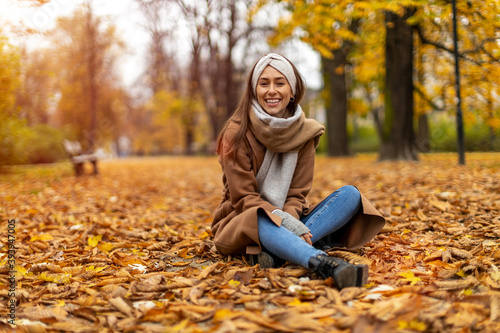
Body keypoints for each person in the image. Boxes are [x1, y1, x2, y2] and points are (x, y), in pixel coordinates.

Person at [211, 53, 385, 289]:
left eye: (279, 83)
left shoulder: (306, 133)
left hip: (291, 216)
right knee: (261, 216)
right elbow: (245, 199)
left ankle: (278, 253)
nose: (271, 90)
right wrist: (284, 222)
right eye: (264, 83)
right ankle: (323, 264)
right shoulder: (236, 132)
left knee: (350, 196)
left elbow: (296, 194)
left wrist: (290, 222)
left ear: (291, 90)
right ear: (254, 91)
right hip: (243, 219)